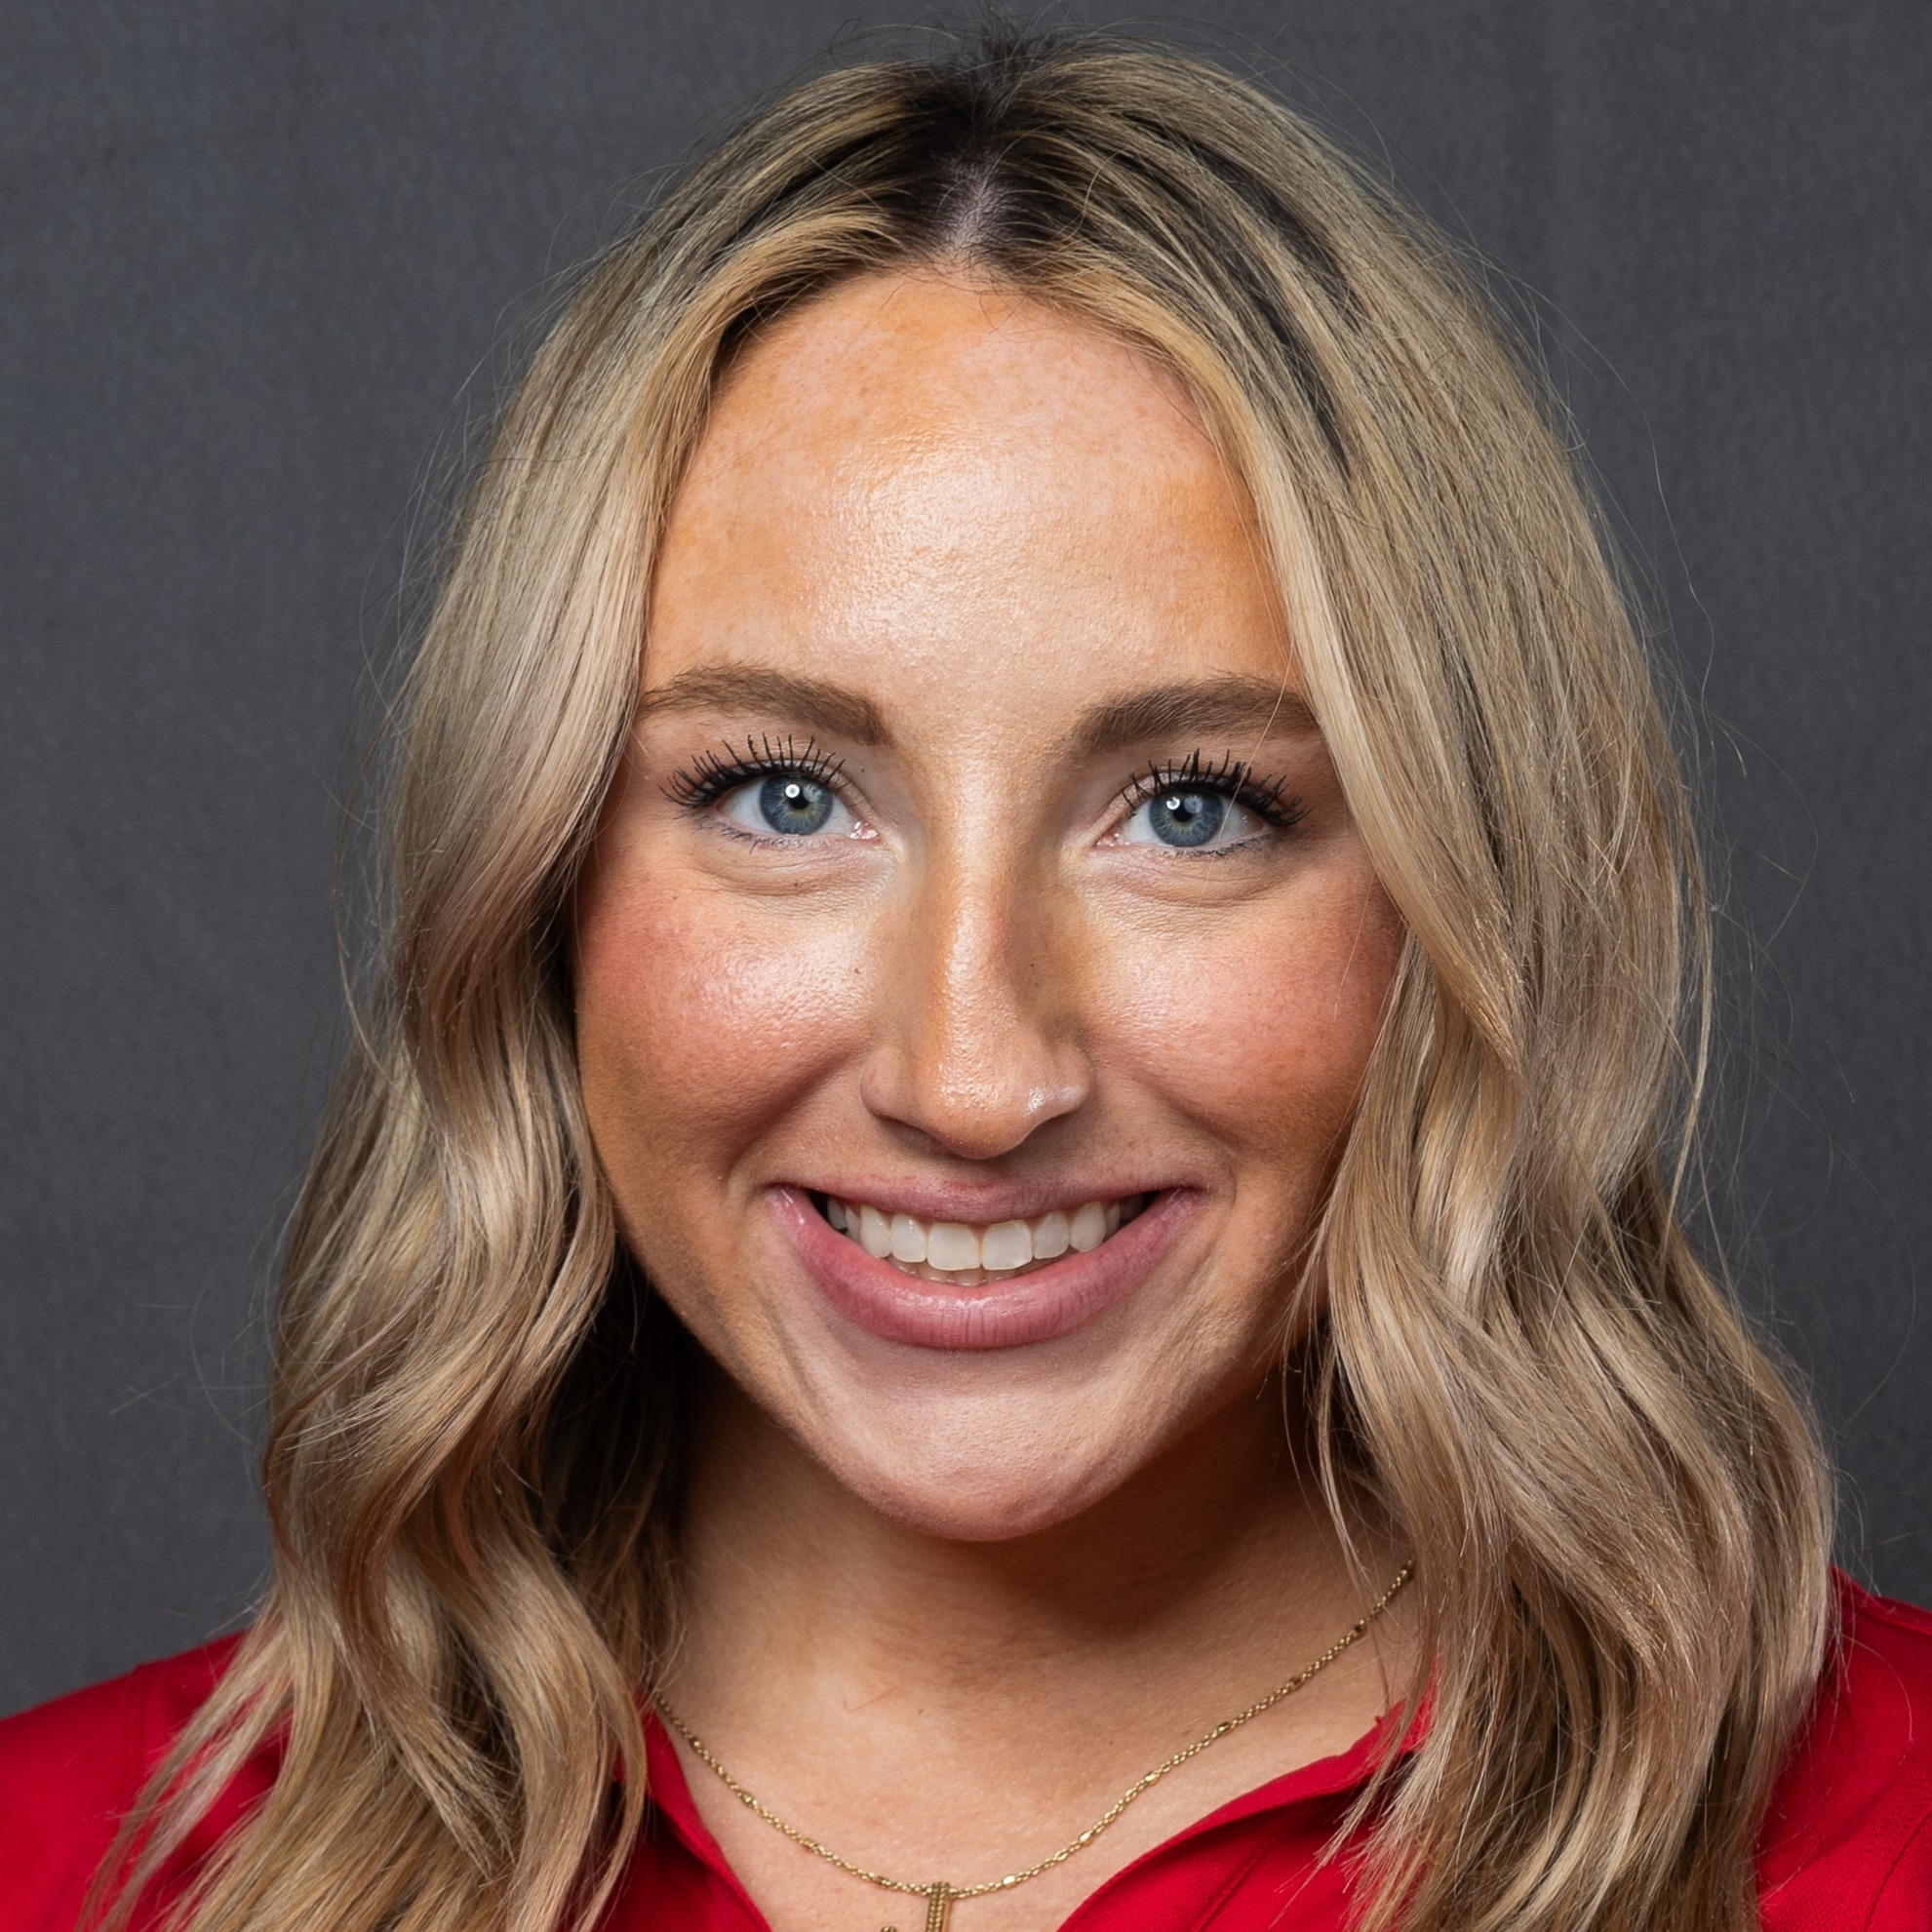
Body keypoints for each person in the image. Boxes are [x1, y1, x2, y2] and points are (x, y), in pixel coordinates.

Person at [3, 25, 1928, 1932]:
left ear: (1464, 905)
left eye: (1191, 810)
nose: (976, 1080)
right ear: (540, 886)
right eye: (783, 796)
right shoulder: (67, 1868)